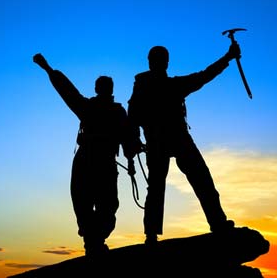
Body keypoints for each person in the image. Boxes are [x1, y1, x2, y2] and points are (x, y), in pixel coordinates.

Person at [127, 42, 241, 245]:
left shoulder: (150, 87)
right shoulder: (160, 86)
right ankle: (215, 223)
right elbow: (203, 76)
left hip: (167, 141)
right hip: (168, 140)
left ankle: (154, 234)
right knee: (182, 184)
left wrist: (227, 58)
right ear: (162, 62)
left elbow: (203, 76)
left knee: (194, 181)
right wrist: (228, 58)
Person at [33, 53, 136, 258]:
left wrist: (48, 68)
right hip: (94, 163)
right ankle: (93, 244)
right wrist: (48, 68)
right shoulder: (102, 110)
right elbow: (66, 89)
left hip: (97, 163)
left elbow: (67, 90)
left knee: (100, 207)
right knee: (88, 206)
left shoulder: (99, 109)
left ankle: (93, 243)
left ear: (100, 89)